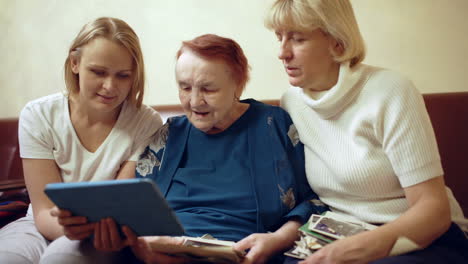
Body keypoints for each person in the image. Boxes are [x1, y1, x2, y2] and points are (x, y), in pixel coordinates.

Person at [264, 0, 468, 263]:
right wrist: (281, 236)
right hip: (335, 233)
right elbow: (309, 197)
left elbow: (433, 211)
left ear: (337, 41)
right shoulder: (291, 102)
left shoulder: (390, 91)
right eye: (279, 37)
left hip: (420, 236)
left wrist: (361, 247)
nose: (282, 53)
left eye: (298, 39)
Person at [108, 33, 326, 264]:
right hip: (164, 254)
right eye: (184, 87)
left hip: (244, 254)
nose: (194, 102)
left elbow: (314, 201)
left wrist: (279, 239)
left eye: (208, 89)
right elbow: (135, 206)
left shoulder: (274, 125)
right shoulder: (169, 134)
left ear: (238, 85)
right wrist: (143, 246)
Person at [0, 17, 163, 264]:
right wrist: (67, 229)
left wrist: (86, 232)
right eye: (98, 72)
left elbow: (117, 207)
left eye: (123, 76)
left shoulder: (147, 123)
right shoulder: (38, 115)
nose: (110, 86)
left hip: (103, 235)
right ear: (75, 63)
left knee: (62, 259)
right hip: (38, 223)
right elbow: (43, 211)